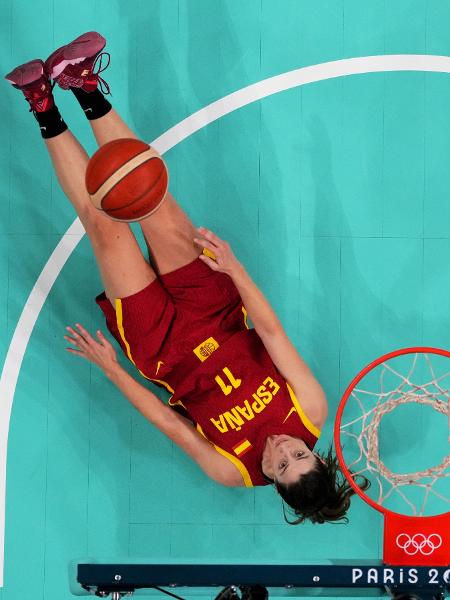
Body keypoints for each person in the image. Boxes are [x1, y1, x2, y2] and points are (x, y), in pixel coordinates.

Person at [5, 31, 366, 524]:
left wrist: (111, 368)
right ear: (317, 455)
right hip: (214, 309)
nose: (284, 448)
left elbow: (166, 423)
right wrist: (236, 271)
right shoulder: (310, 410)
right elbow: (272, 331)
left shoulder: (231, 469)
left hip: (161, 346)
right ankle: (83, 84)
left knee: (104, 224)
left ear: (272, 482)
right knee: (147, 194)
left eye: (280, 464)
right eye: (299, 455)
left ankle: (43, 105)